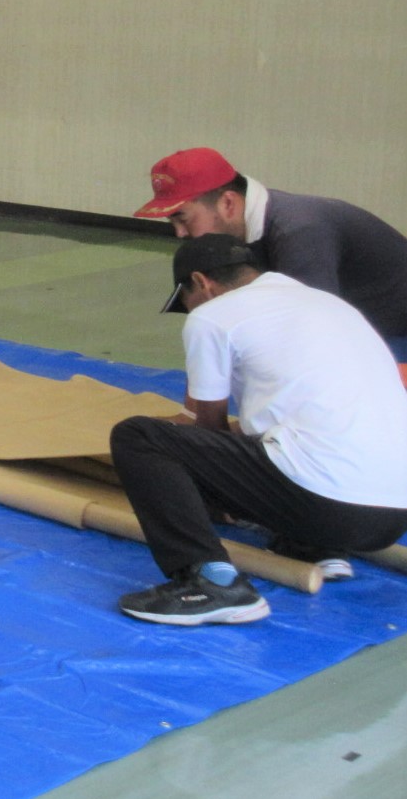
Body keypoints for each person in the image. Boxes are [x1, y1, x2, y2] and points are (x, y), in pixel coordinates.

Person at [109, 234, 407, 625]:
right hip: (392, 514)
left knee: (138, 437)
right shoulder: (329, 304)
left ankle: (211, 581)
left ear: (201, 282)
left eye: (187, 301)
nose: (191, 310)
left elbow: (208, 428)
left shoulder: (212, 315)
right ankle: (313, 546)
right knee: (295, 439)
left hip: (329, 502)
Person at [133, 147, 407, 362]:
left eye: (182, 217)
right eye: (172, 222)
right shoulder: (247, 229)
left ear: (228, 202)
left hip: (394, 334)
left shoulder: (299, 232)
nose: (179, 233)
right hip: (367, 325)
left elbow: (315, 333)